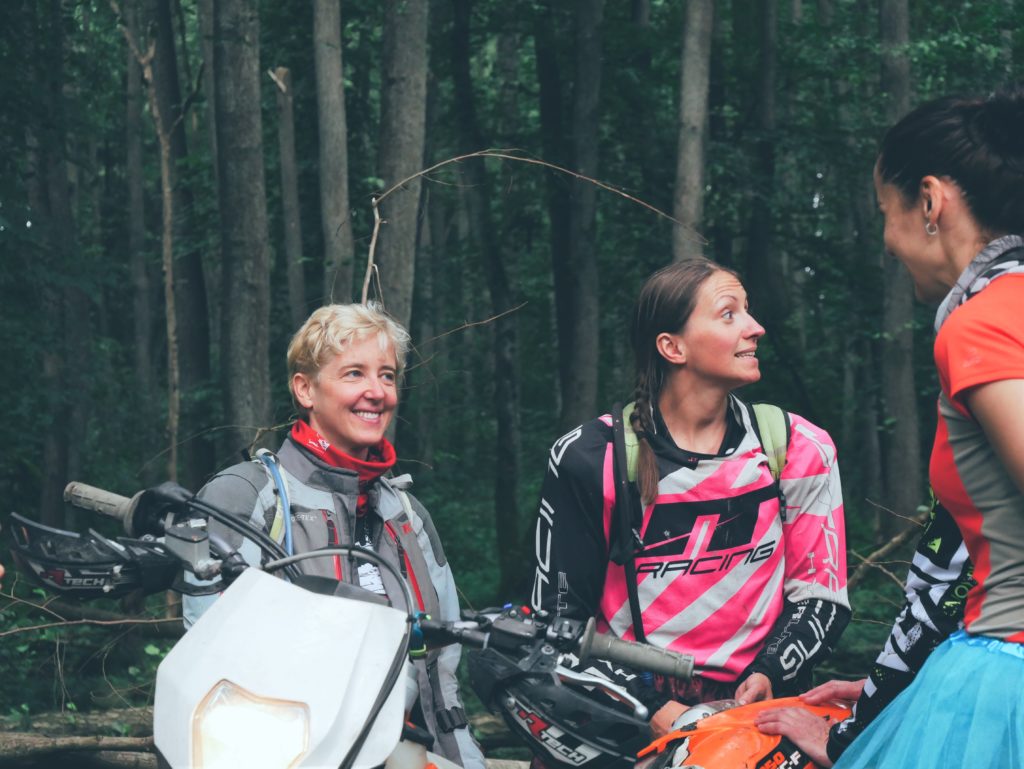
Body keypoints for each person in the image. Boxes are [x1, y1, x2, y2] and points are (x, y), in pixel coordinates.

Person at [757, 86, 1024, 768]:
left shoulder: (981, 324)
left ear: (930, 202)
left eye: (887, 211)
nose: (886, 238)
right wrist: (893, 692)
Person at [530, 259, 850, 736]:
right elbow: (557, 626)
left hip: (758, 719)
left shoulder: (799, 446)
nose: (755, 328)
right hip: (628, 717)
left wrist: (770, 674)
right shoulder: (591, 457)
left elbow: (822, 597)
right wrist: (653, 708)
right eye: (729, 314)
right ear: (672, 347)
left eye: (749, 311)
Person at [184, 302, 485, 769]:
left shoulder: (406, 514)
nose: (377, 392)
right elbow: (211, 673)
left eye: (387, 375)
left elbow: (440, 677)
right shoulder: (247, 498)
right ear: (305, 388)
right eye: (354, 374)